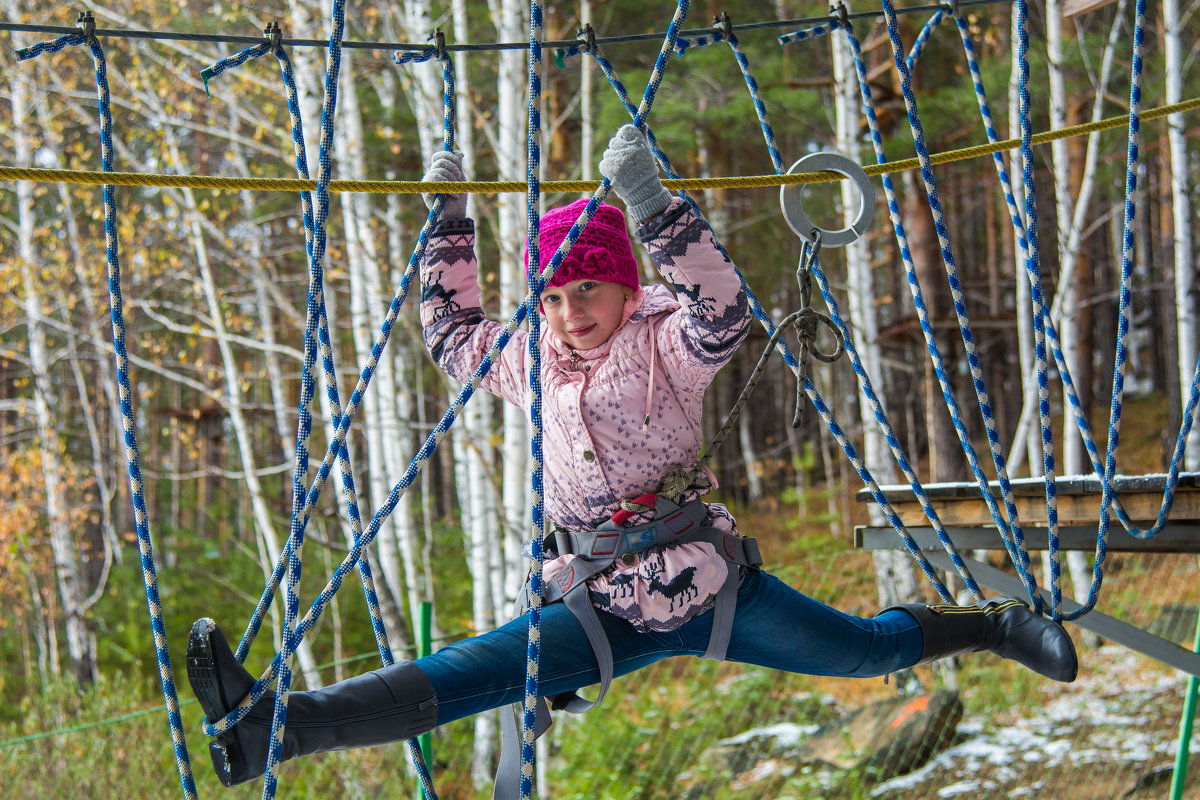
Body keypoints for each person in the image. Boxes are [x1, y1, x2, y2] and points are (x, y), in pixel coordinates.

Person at [186, 125, 1077, 789]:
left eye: (592, 289)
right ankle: (278, 729)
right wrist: (449, 221)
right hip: (600, 602)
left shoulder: (666, 346)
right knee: (480, 670)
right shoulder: (529, 358)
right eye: (559, 292)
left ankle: (993, 628)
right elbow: (454, 333)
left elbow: (726, 313)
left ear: (626, 287)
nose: (574, 309)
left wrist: (652, 207)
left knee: (863, 654)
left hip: (710, 584)